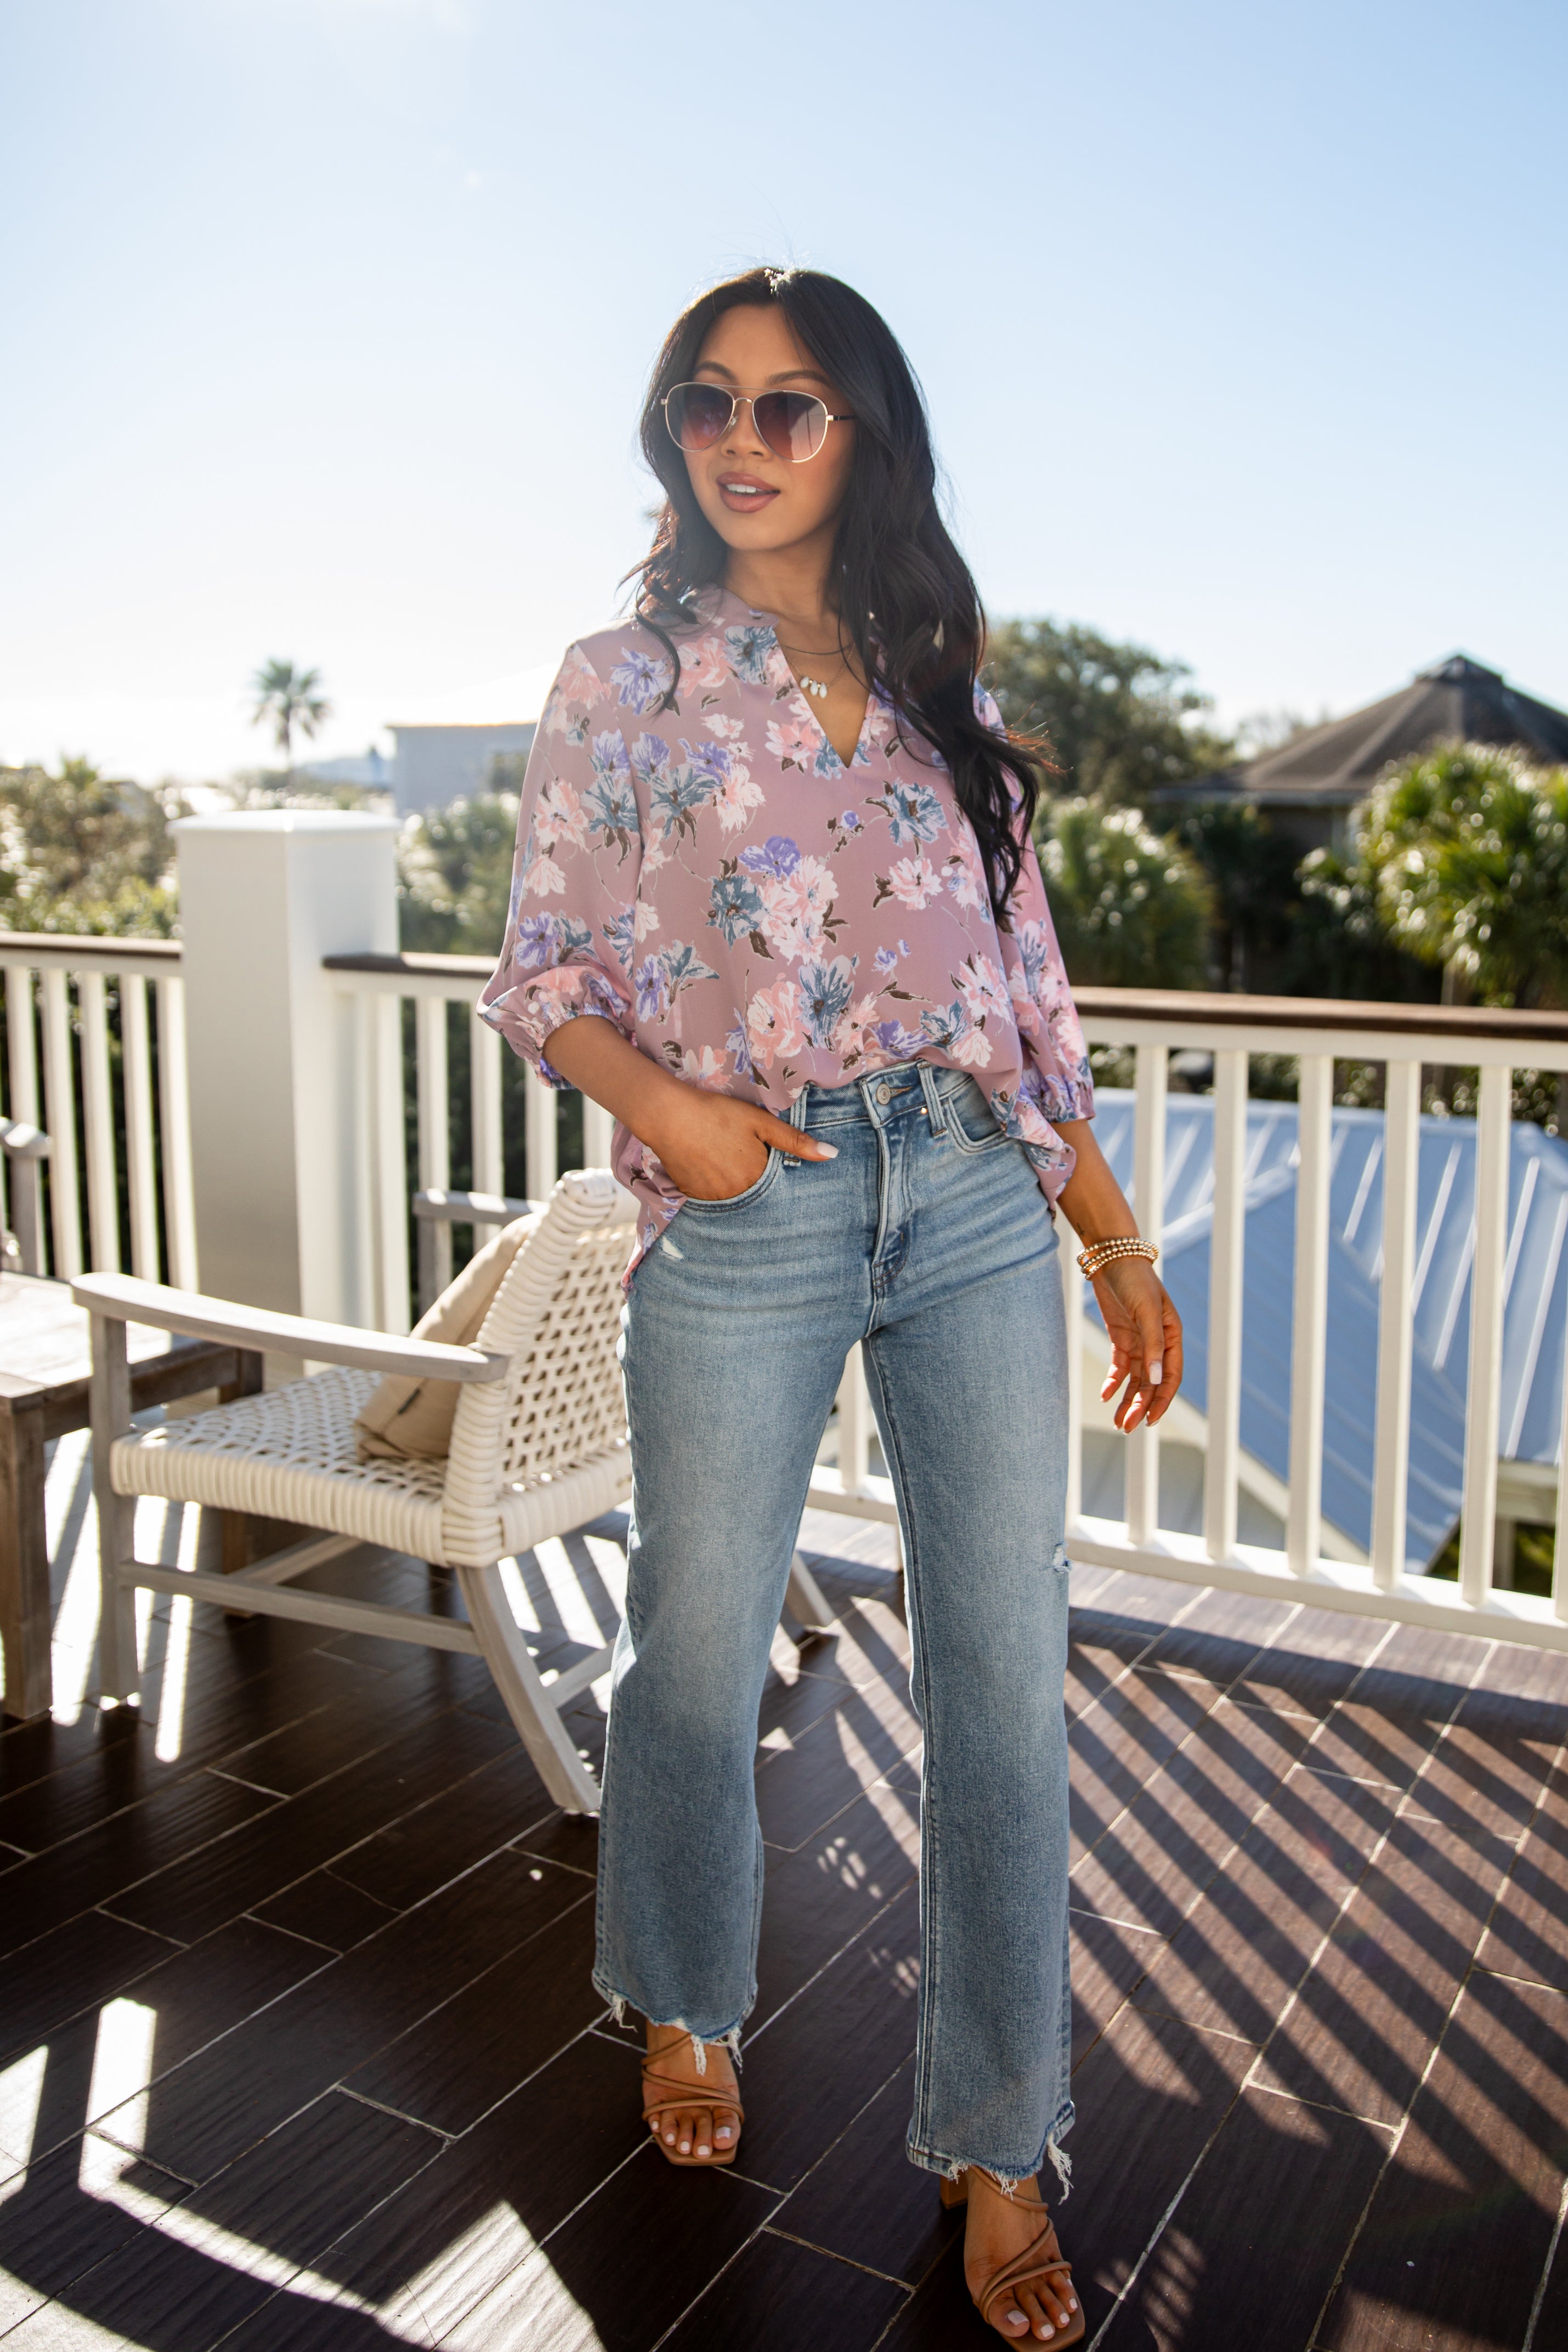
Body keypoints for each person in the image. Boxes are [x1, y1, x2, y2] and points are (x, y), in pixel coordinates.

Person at [480, 265, 1182, 2345]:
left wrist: (1113, 1235)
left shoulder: (942, 682)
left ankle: (999, 2138)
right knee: (695, 1651)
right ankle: (682, 1993)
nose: (742, 438)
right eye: (707, 401)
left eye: (791, 405)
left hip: (971, 1196)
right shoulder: (621, 680)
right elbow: (543, 972)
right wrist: (669, 1119)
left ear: (862, 433)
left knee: (1003, 1679)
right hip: (749, 1196)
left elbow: (1024, 1001)